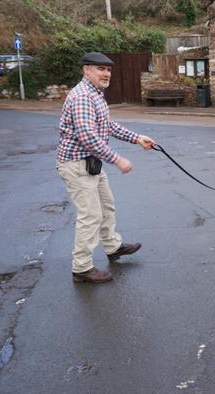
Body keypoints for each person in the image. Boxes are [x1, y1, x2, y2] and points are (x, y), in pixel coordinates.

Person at [56, 52, 156, 283]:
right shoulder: (82, 96)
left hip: (91, 164)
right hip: (76, 165)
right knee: (90, 215)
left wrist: (136, 137)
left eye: (108, 70)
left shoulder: (96, 95)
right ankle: (81, 268)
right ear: (86, 70)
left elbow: (106, 125)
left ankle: (113, 247)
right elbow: (88, 136)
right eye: (101, 69)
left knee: (106, 206)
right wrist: (117, 159)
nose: (106, 73)